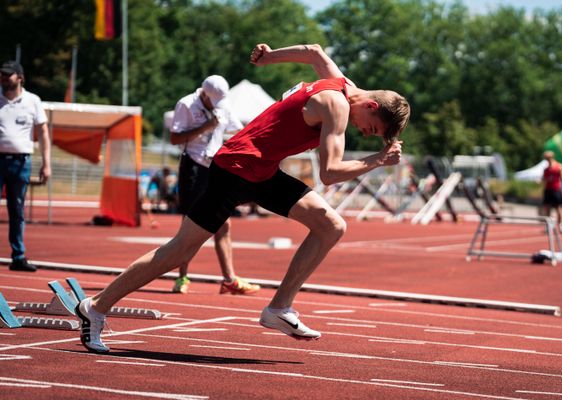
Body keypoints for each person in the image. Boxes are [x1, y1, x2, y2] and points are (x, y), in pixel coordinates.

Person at [75, 43, 410, 353]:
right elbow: (330, 173)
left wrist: (269, 57)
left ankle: (279, 308)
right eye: (371, 128)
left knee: (330, 225)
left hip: (262, 172)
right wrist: (377, 161)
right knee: (179, 251)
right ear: (371, 105)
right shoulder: (335, 104)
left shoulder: (339, 81)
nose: (364, 133)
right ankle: (96, 307)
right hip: (234, 169)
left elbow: (314, 51)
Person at [169, 75, 260, 295]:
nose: (217, 106)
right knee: (190, 225)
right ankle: (181, 277)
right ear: (205, 94)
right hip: (194, 166)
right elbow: (175, 138)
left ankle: (229, 279)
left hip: (216, 166)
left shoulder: (222, 102)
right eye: (213, 102)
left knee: (224, 223)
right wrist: (206, 126)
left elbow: (235, 130)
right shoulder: (186, 104)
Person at [0, 60, 51, 272]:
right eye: (2, 75)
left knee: (17, 210)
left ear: (20, 77)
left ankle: (18, 256)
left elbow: (44, 133)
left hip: (21, 162)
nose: (3, 78)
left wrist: (46, 163)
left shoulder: (33, 101)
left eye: (8, 75)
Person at [541, 151, 562, 233]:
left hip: (556, 190)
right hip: (548, 190)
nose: (547, 160)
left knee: (558, 208)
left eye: (548, 158)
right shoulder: (546, 169)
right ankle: (549, 226)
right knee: (547, 209)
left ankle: (561, 225)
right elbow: (544, 180)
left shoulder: (559, 167)